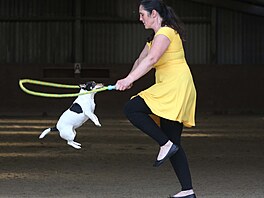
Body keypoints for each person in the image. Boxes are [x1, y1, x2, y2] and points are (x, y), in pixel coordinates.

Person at [115, 0, 197, 197]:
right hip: (171, 86)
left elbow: (152, 61)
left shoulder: (166, 32)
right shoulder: (154, 38)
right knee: (174, 140)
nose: (139, 18)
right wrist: (130, 78)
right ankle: (188, 191)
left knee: (132, 108)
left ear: (153, 14)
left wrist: (129, 79)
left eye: (142, 14)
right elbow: (141, 60)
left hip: (175, 86)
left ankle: (164, 144)